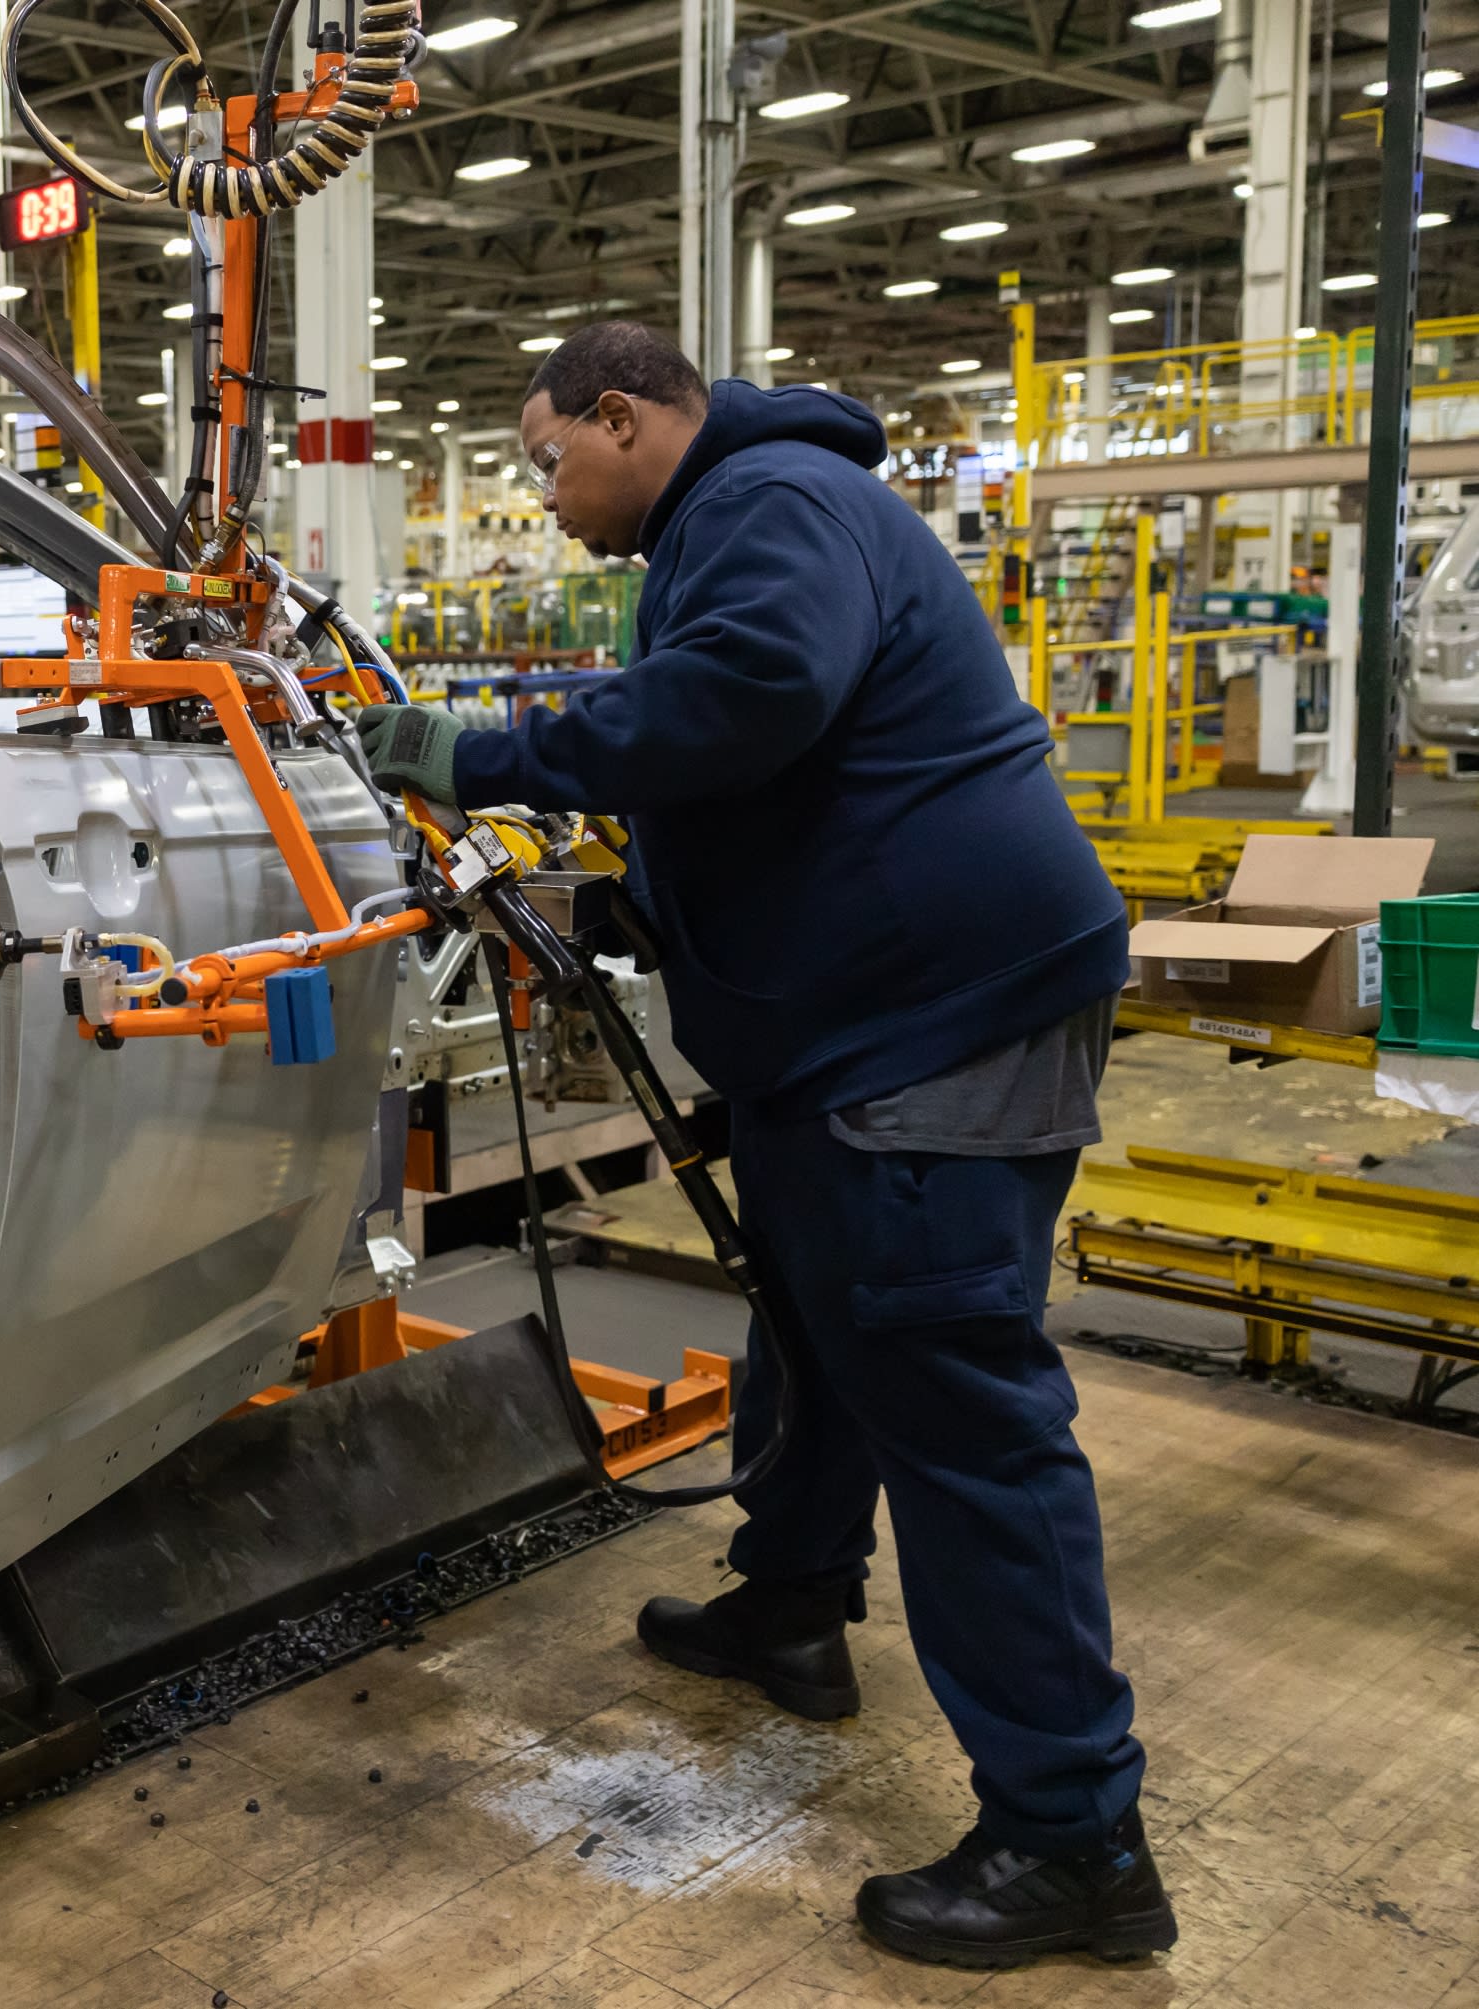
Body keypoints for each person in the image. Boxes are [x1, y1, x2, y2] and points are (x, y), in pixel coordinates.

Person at [358, 322, 1171, 1971]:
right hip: (853, 1018)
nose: (546, 495)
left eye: (547, 459)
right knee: (808, 1313)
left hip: (940, 1017)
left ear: (626, 417)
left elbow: (751, 698)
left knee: (957, 1402)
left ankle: (1074, 1835)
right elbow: (766, 773)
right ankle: (794, 1601)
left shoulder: (769, 495)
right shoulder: (745, 517)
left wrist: (479, 751)